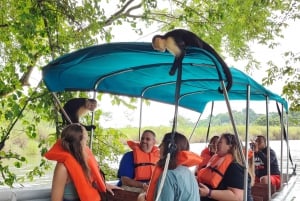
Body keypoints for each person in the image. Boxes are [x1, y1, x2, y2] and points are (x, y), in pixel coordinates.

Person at [44, 123, 121, 201]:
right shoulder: (62, 167)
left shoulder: (85, 160)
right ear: (81, 143)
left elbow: (91, 181)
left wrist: (104, 185)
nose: (86, 144)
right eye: (86, 140)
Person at [137, 131, 202, 201]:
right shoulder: (188, 172)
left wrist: (140, 199)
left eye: (162, 144)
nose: (159, 146)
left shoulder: (168, 176)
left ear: (169, 148)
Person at [197, 133, 253, 201]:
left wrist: (209, 193)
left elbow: (238, 197)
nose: (216, 144)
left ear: (230, 146)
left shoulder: (235, 167)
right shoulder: (217, 161)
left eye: (220, 142)